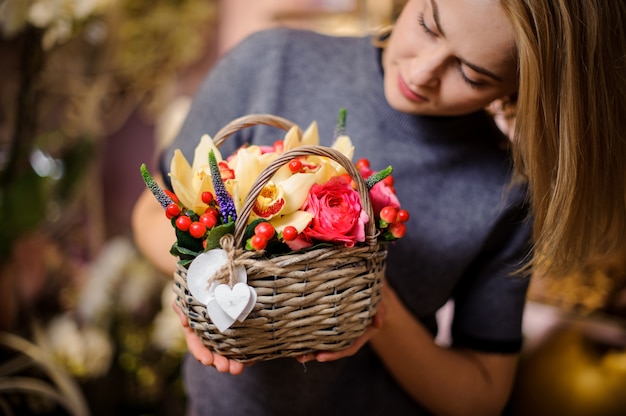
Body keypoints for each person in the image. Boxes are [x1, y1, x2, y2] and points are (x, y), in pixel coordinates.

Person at [132, 0, 626, 414]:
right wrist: (208, 283)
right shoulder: (271, 62)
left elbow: (482, 394)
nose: (421, 71)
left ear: (517, 89)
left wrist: (371, 303)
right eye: (428, 25)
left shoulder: (506, 189)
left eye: (472, 74)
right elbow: (151, 215)